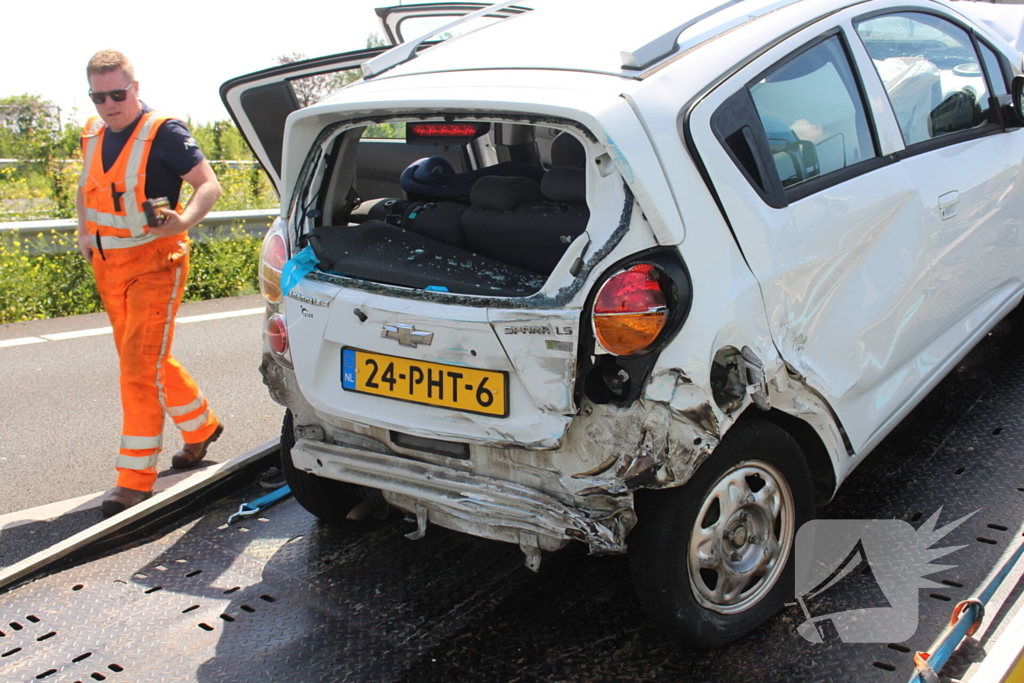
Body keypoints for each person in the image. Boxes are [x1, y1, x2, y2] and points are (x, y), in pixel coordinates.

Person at [76, 50, 224, 516]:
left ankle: (134, 481)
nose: (108, 104)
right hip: (109, 266)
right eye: (99, 97)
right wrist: (84, 232)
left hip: (155, 263)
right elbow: (85, 188)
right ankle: (201, 427)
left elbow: (208, 184)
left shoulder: (165, 132)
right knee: (141, 355)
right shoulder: (93, 133)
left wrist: (184, 220)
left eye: (117, 94)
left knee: (139, 367)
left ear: (135, 88)